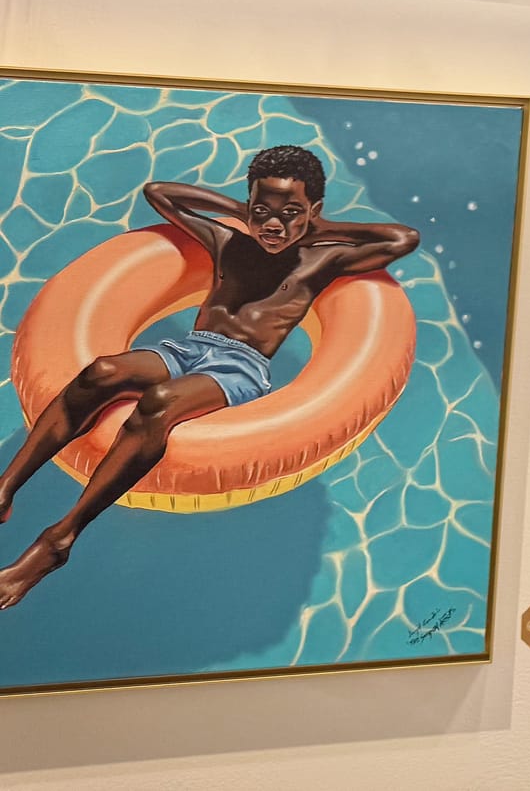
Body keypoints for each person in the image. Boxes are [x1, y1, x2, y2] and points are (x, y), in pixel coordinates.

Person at [0, 145, 419, 607]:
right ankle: (5, 488)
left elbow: (403, 239)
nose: (273, 225)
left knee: (158, 403)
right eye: (262, 211)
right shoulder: (227, 242)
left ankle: (59, 539)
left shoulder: (320, 260)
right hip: (188, 349)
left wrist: (318, 228)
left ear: (313, 212)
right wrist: (240, 211)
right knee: (100, 372)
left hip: (239, 367)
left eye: (291, 213)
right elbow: (159, 194)